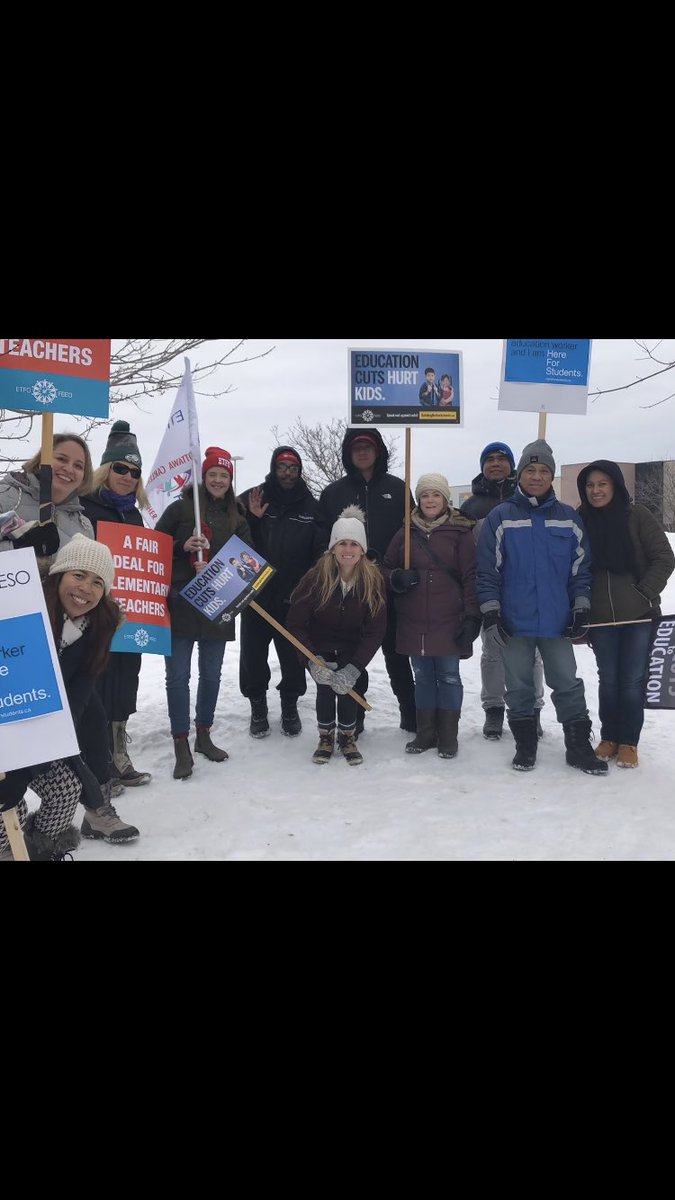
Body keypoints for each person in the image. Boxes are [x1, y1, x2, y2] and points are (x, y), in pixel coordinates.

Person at [0, 432, 139, 843]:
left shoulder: (80, 520)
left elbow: (88, 577)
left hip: (68, 639)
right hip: (18, 642)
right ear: (40, 460)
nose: (68, 469)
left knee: (86, 719)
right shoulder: (6, 494)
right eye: (60, 458)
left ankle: (94, 808)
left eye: (78, 465)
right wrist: (15, 543)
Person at [476, 439, 607, 775]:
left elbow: (581, 571)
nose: (536, 476)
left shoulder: (568, 520)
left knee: (567, 683)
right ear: (520, 473)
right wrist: (492, 612)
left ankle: (577, 746)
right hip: (514, 623)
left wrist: (580, 607)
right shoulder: (500, 518)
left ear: (551, 476)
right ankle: (526, 746)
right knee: (518, 685)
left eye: (544, 471)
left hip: (556, 622)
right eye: (531, 470)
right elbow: (488, 571)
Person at [0, 536, 135, 860]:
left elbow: (77, 700)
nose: (86, 588)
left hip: (41, 729)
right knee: (8, 809)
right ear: (59, 574)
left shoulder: (96, 628)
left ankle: (42, 851)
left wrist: (34, 762)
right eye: (78, 575)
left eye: (97, 582)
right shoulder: (20, 608)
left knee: (67, 789)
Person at [156, 446, 251, 779]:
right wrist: (180, 549)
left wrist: (219, 568)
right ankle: (181, 741)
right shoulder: (181, 509)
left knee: (211, 675)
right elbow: (153, 547)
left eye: (224, 475)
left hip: (217, 606)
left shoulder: (237, 517)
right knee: (178, 677)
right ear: (203, 476)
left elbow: (246, 561)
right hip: (180, 604)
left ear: (230, 480)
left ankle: (204, 734)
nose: (218, 480)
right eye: (213, 474)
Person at [577, 460, 675, 768]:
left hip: (639, 616)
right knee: (608, 679)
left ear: (616, 485)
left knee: (632, 680)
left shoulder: (637, 516)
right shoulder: (580, 520)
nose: (596, 490)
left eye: (602, 484)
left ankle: (629, 741)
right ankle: (609, 737)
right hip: (601, 618)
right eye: (590, 485)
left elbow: (664, 557)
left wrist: (643, 593)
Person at [319, 428, 416, 734]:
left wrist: (402, 571)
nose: (362, 453)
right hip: (348, 587)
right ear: (348, 453)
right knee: (352, 654)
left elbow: (414, 534)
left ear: (378, 452)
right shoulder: (333, 493)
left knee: (397, 655)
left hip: (390, 586)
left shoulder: (398, 489)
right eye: (356, 447)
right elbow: (322, 539)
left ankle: (410, 714)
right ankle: (353, 718)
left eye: (368, 447)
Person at [383, 474, 481, 759]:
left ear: (445, 498)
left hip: (449, 618)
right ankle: (426, 732)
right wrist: (397, 578)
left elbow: (471, 576)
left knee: (449, 676)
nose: (429, 500)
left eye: (435, 495)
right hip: (414, 619)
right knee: (423, 676)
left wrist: (472, 615)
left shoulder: (460, 532)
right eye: (424, 495)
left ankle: (448, 734)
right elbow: (384, 567)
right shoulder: (405, 531)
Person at [238, 446, 328, 738]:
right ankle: (258, 705)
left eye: (293, 467)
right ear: (273, 468)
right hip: (256, 598)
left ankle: (290, 704)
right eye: (282, 467)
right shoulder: (254, 498)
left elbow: (320, 554)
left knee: (293, 658)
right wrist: (252, 519)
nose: (287, 473)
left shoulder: (311, 507)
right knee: (253, 657)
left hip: (294, 599)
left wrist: (308, 591)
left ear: (299, 471)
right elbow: (235, 541)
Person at [287, 506, 386, 766]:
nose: (348, 549)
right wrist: (311, 660)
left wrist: (355, 667)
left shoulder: (373, 581)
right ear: (333, 547)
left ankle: (347, 737)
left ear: (362, 549)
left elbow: (377, 629)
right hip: (318, 646)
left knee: (346, 687)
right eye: (342, 543)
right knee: (326, 687)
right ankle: (325, 737)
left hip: (350, 647)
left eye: (354, 543)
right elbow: (295, 622)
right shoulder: (316, 577)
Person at [81, 420, 151, 787]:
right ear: (107, 469)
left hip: (132, 617)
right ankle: (98, 762)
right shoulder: (86, 506)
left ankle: (119, 753)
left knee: (126, 681)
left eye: (134, 471)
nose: (127, 476)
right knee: (98, 683)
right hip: (96, 615)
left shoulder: (135, 515)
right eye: (121, 468)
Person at [460, 441, 545, 740]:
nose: (495, 464)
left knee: (531, 655)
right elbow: (465, 553)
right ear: (483, 466)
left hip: (525, 591)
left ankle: (532, 709)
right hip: (490, 591)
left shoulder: (527, 498)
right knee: (493, 652)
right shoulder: (471, 507)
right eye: (489, 459)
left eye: (502, 459)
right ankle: (493, 709)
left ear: (512, 465)